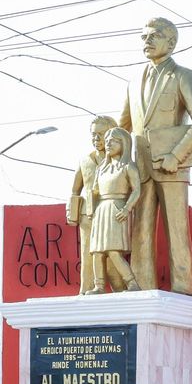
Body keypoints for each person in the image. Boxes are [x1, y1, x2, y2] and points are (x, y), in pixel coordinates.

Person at [120, 16, 192, 294]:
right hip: (141, 167)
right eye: (144, 36)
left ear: (171, 43)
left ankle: (183, 290)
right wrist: (103, 151)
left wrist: (176, 155)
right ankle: (141, 289)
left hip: (172, 165)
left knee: (176, 231)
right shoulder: (133, 81)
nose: (146, 41)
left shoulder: (183, 75)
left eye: (154, 36)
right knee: (140, 233)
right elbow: (123, 126)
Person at [67, 115, 121, 295]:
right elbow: (75, 190)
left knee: (113, 255)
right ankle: (88, 288)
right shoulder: (85, 161)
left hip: (111, 213)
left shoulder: (121, 161)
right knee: (88, 254)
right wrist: (71, 212)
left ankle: (119, 288)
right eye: (93, 135)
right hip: (88, 214)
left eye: (101, 134)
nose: (96, 139)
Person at [87, 127, 144, 293]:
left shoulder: (127, 167)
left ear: (123, 143)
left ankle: (132, 283)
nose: (108, 144)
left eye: (112, 141)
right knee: (97, 251)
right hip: (101, 210)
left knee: (113, 251)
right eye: (107, 141)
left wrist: (127, 209)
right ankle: (98, 286)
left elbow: (137, 190)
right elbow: (95, 191)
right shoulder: (101, 169)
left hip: (117, 209)